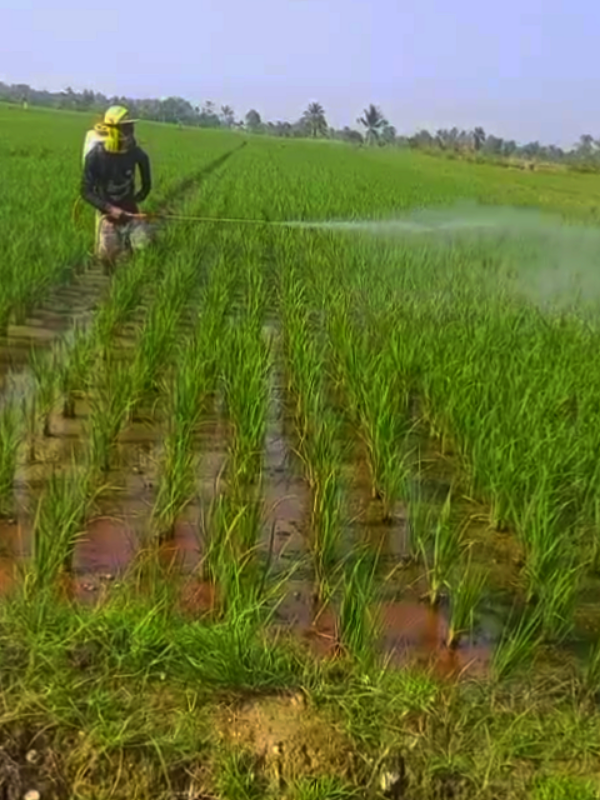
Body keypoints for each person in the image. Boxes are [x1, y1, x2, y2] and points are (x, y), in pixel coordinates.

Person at [81, 106, 152, 272]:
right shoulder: (96, 156)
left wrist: (138, 198)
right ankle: (112, 279)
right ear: (113, 130)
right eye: (126, 128)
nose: (130, 132)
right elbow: (86, 191)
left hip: (129, 209)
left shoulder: (135, 153)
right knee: (106, 257)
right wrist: (109, 208)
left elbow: (146, 181)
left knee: (143, 248)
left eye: (131, 127)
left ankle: (131, 278)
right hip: (107, 213)